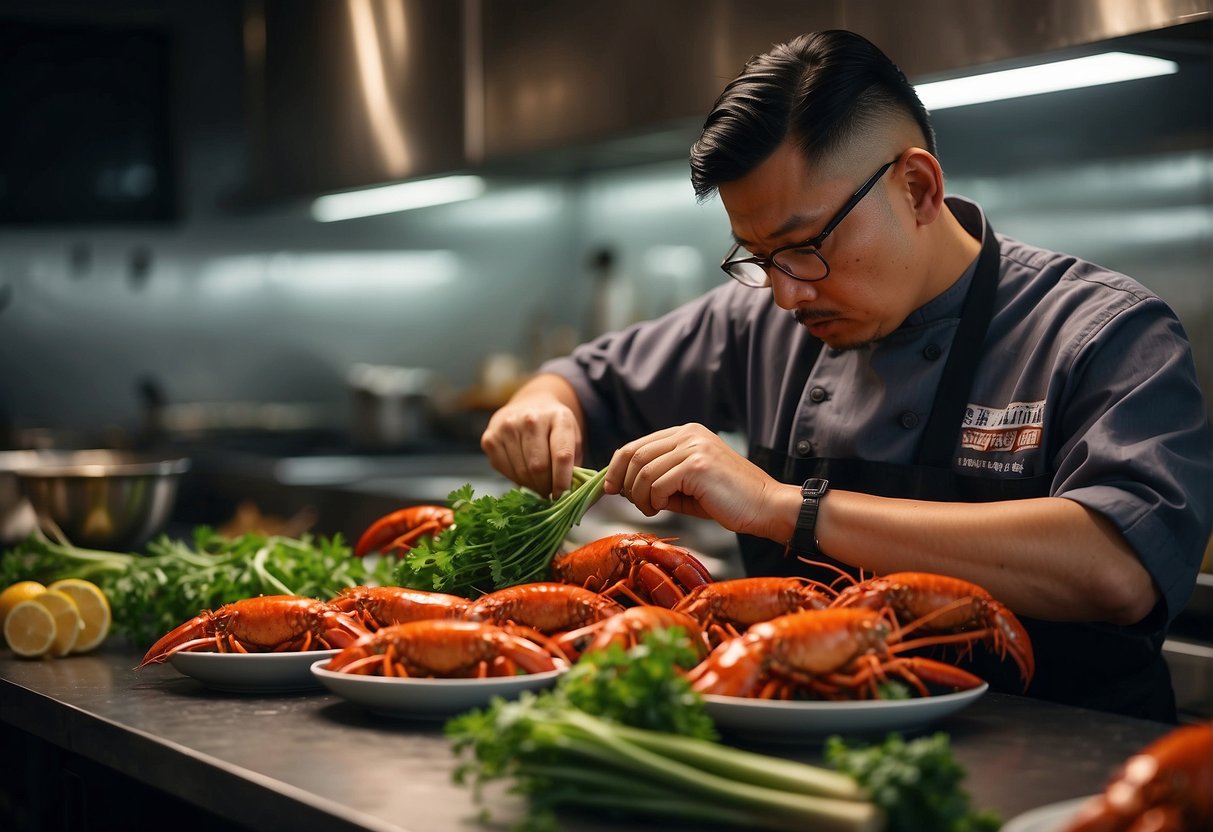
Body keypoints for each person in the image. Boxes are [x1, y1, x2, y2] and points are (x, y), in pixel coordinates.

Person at [480, 30, 1212, 721]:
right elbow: (585, 380)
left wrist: (783, 507)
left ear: (918, 189)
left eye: (804, 247)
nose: (785, 292)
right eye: (757, 256)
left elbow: (1116, 567)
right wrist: (542, 404)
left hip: (1069, 771)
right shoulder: (760, 321)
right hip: (806, 754)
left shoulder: (1101, 331)